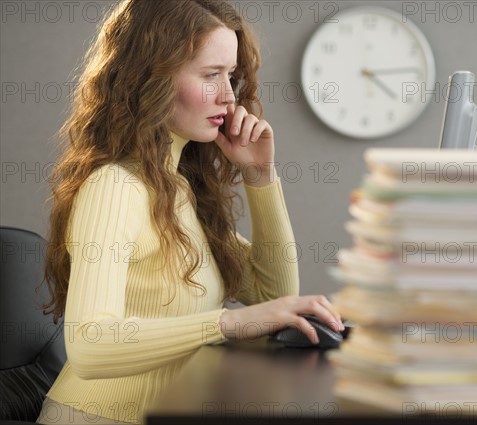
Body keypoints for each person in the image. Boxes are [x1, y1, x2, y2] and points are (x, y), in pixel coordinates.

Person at [39, 1, 343, 424]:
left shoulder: (178, 188)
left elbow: (274, 297)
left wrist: (260, 176)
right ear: (153, 78)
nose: (228, 96)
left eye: (231, 76)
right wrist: (227, 324)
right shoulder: (115, 187)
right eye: (210, 75)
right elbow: (90, 345)